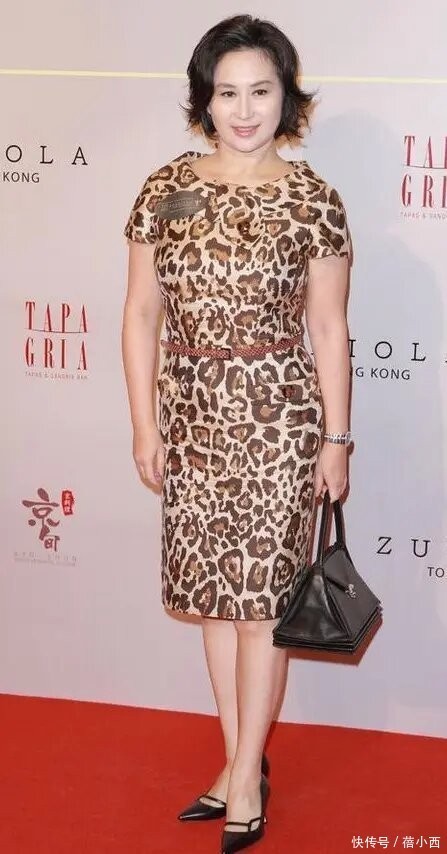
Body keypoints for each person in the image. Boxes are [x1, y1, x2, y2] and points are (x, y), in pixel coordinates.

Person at [121, 13, 352, 854]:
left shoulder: (312, 200)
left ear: (286, 97)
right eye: (227, 93)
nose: (244, 110)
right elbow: (140, 314)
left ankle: (247, 774)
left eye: (261, 91)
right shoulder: (163, 188)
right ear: (204, 99)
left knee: (259, 609)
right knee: (214, 606)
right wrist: (144, 425)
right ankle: (235, 761)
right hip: (190, 416)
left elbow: (327, 328)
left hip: (278, 419)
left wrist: (335, 440)